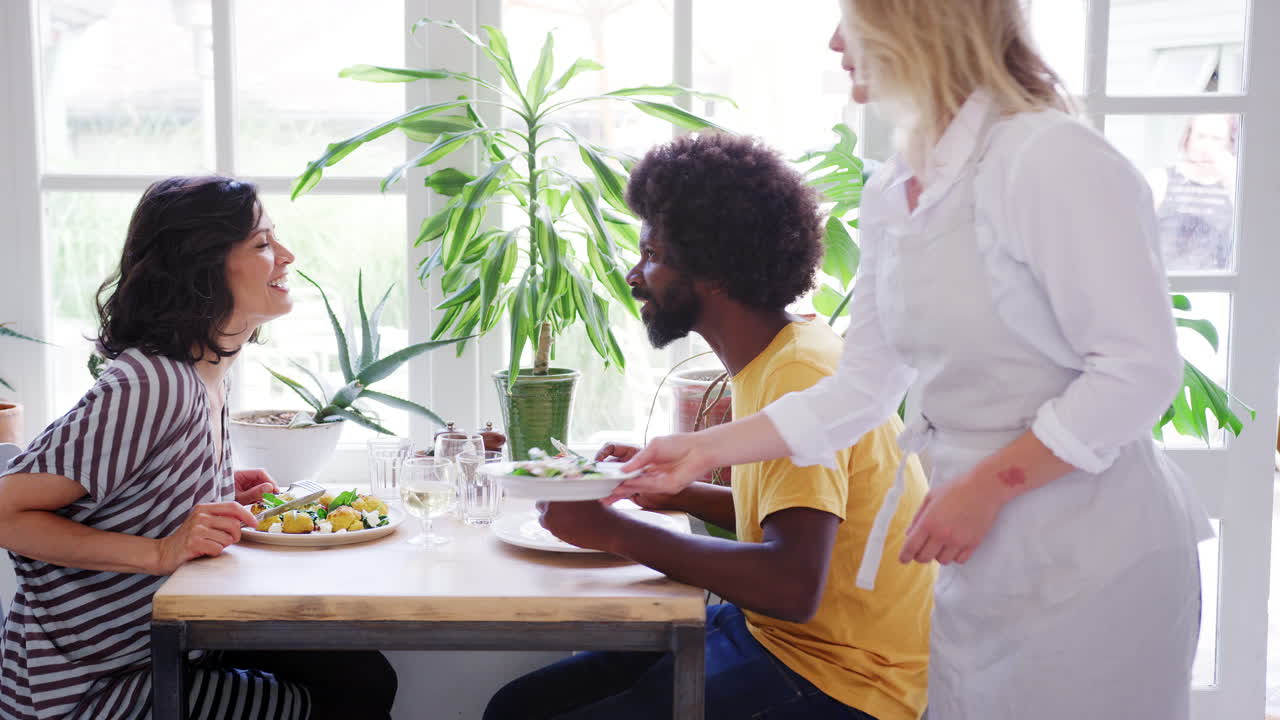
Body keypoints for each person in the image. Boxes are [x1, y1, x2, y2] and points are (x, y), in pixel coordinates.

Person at [613, 3, 1213, 719]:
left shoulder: (1051, 158)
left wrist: (989, 486)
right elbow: (859, 391)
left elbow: (1138, 371)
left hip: (1092, 557)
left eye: (853, 18)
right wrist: (696, 451)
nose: (837, 41)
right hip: (972, 558)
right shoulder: (895, 189)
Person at [483, 134, 935, 720]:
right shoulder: (782, 353)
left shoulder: (796, 372)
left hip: (843, 679)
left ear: (714, 271)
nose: (634, 274)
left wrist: (609, 529)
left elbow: (792, 585)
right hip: (780, 639)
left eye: (653, 254)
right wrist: (669, 486)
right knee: (519, 706)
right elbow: (801, 518)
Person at [0, 177, 397, 719]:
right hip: (86, 689)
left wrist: (209, 489)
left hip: (162, 645)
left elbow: (127, 491)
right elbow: (6, 512)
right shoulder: (152, 385)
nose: (286, 255)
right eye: (261, 244)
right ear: (203, 268)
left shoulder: (206, 371)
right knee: (337, 697)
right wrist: (161, 552)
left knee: (358, 674)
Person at [1148, 114, 1238, 271]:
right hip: (1166, 285)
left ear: (1229, 146)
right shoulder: (1161, 180)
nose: (1206, 147)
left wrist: (1232, 180)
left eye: (1216, 139)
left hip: (1219, 289)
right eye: (1201, 137)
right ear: (1188, 139)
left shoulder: (1234, 185)